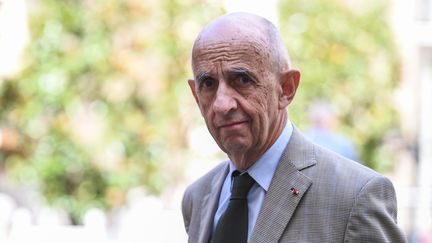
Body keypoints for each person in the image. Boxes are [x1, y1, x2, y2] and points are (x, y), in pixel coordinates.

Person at [182, 12, 406, 243]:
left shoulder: (354, 197)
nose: (222, 104)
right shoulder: (198, 197)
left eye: (242, 80)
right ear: (196, 96)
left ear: (286, 88)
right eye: (208, 84)